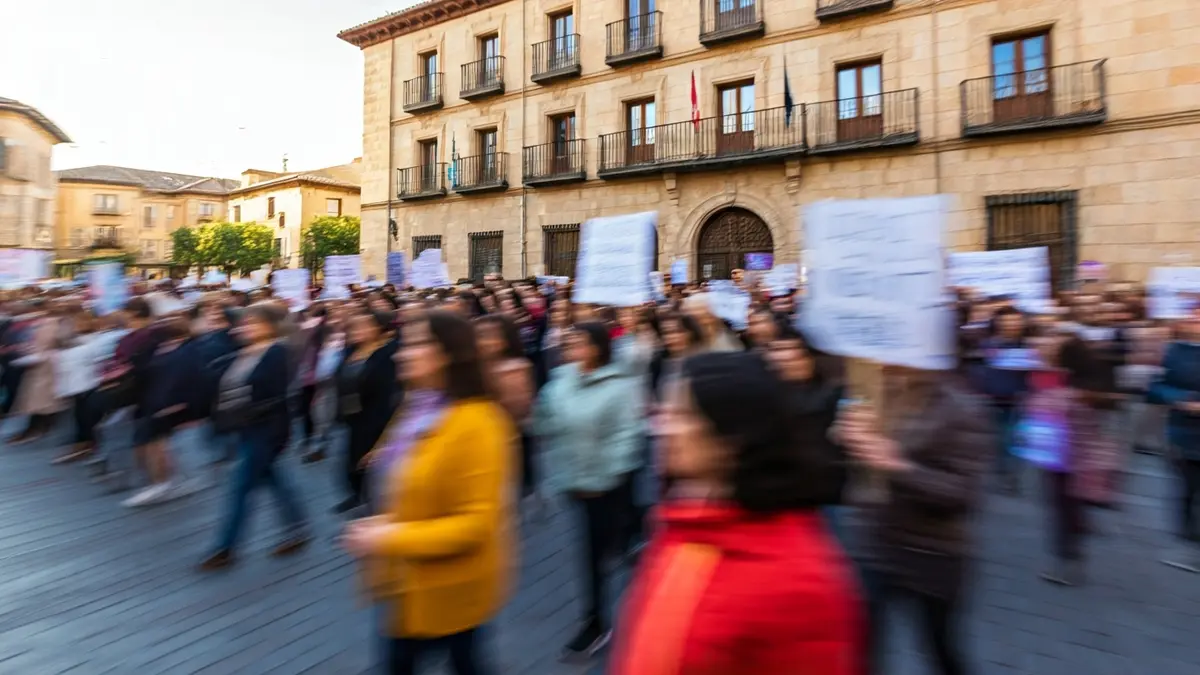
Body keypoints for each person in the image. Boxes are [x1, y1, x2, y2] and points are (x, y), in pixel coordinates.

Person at [609, 352, 863, 675]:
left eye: (683, 414)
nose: (662, 427)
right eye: (665, 410)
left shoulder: (798, 583)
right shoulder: (680, 522)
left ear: (731, 439)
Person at [343, 310, 514, 675]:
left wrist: (390, 535)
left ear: (447, 354)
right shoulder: (418, 405)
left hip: (448, 586)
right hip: (405, 581)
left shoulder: (480, 422)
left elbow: (476, 524)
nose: (400, 354)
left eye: (416, 344)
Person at [834, 363, 992, 675]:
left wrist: (897, 466)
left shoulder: (960, 409)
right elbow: (859, 463)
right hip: (876, 545)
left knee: (941, 648)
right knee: (860, 642)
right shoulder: (877, 392)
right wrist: (849, 438)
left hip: (933, 554)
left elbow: (962, 494)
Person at [534, 321, 644, 661]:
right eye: (569, 344)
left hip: (605, 486)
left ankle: (596, 622)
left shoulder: (620, 385)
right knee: (593, 550)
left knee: (595, 555)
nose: (571, 350)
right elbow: (545, 422)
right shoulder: (561, 380)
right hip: (575, 483)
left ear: (598, 346)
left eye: (579, 343)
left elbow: (626, 437)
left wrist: (602, 479)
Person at [200, 303, 309, 570]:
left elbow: (279, 397)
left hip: (265, 429)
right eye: (245, 323)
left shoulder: (276, 352)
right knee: (273, 479)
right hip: (244, 427)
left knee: (240, 487)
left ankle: (226, 547)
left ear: (270, 326)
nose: (246, 327)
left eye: (254, 323)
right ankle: (297, 526)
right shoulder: (241, 353)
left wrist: (276, 434)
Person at [1148, 305, 1200, 572]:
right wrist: (1177, 399)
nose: (1196, 322)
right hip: (1183, 433)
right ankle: (1190, 542)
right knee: (1186, 490)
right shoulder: (1176, 350)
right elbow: (1156, 387)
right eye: (1194, 316)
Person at [334, 310, 399, 513]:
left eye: (362, 327)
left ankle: (375, 504)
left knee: (371, 462)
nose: (357, 331)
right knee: (351, 461)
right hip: (352, 415)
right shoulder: (349, 352)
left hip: (374, 417)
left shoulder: (384, 354)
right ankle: (358, 495)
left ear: (376, 329)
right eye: (354, 327)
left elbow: (386, 389)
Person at [475, 314, 538, 511]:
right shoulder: (478, 367)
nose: (483, 341)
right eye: (479, 335)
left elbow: (516, 410)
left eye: (489, 335)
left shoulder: (514, 370)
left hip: (506, 441)